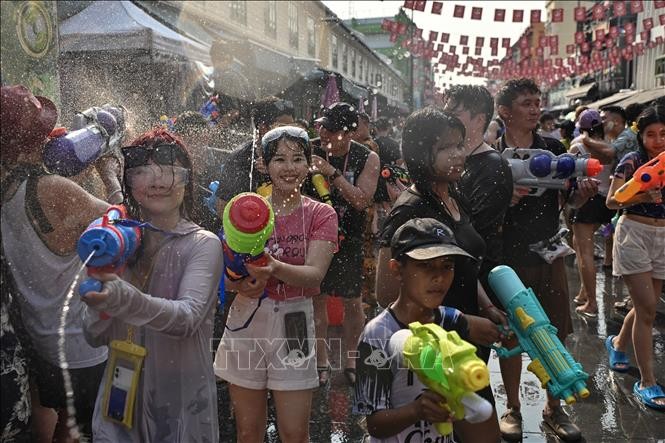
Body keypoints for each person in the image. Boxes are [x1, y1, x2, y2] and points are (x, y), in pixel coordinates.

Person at [81, 128, 223, 441]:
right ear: (130, 181)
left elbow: (187, 318)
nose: (158, 182)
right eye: (144, 172)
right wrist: (98, 304)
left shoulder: (202, 244)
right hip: (118, 400)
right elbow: (93, 336)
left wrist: (122, 298)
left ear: (187, 181)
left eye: (171, 172)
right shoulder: (117, 242)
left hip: (181, 404)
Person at [374, 107, 505, 442]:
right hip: (428, 355)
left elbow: (464, 265)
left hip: (465, 347)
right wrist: (459, 321)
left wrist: (487, 307)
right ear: (421, 152)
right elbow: (387, 296)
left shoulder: (455, 195)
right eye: (447, 148)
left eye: (461, 145)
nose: (459, 154)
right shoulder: (410, 210)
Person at [214, 126, 338, 442]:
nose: (289, 168)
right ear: (264, 164)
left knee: (295, 433)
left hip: (295, 321)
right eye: (279, 159)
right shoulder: (246, 210)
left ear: (309, 164)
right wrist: (240, 284)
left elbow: (314, 276)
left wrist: (273, 267)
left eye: (298, 159)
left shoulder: (321, 213)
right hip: (246, 319)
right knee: (248, 431)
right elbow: (225, 278)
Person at [0, 85, 109, 443]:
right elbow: (116, 225)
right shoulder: (51, 188)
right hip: (81, 344)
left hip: (39, 338)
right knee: (80, 428)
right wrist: (109, 176)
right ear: (37, 138)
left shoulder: (10, 189)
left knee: (59, 420)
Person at [494, 78, 597, 442]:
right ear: (504, 111)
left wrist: (582, 197)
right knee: (509, 334)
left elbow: (568, 203)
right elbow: (477, 210)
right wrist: (505, 201)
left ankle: (556, 408)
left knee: (555, 330)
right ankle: (512, 408)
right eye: (526, 103)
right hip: (506, 258)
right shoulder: (490, 154)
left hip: (549, 252)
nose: (536, 108)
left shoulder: (554, 149)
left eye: (537, 102)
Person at [355, 218, 502, 442]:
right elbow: (375, 424)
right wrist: (416, 411)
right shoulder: (377, 335)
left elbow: (492, 337)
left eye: (447, 266)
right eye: (425, 265)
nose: (439, 277)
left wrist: (508, 335)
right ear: (397, 269)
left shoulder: (451, 320)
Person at [310, 102, 380, 386]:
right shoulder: (310, 148)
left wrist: (332, 173)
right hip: (314, 236)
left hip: (349, 236)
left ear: (350, 133)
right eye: (323, 126)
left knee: (353, 302)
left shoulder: (367, 157)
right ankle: (321, 360)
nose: (325, 133)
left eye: (333, 129)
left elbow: (362, 200)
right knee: (318, 300)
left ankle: (352, 358)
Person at [604, 105, 665, 410]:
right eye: (651, 134)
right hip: (634, 233)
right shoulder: (632, 161)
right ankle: (648, 382)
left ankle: (617, 345)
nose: (658, 140)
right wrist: (642, 195)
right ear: (640, 136)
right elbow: (612, 201)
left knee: (645, 308)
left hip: (663, 237)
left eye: (663, 134)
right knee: (648, 309)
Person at [568, 110, 615, 317]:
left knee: (584, 252)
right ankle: (583, 292)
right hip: (605, 199)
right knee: (580, 247)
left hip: (587, 199)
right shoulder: (609, 144)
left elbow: (569, 175)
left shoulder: (578, 144)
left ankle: (592, 303)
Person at [214, 96, 295, 214]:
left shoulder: (298, 158)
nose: (291, 134)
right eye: (283, 128)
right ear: (263, 128)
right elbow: (223, 207)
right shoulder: (240, 161)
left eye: (293, 128)